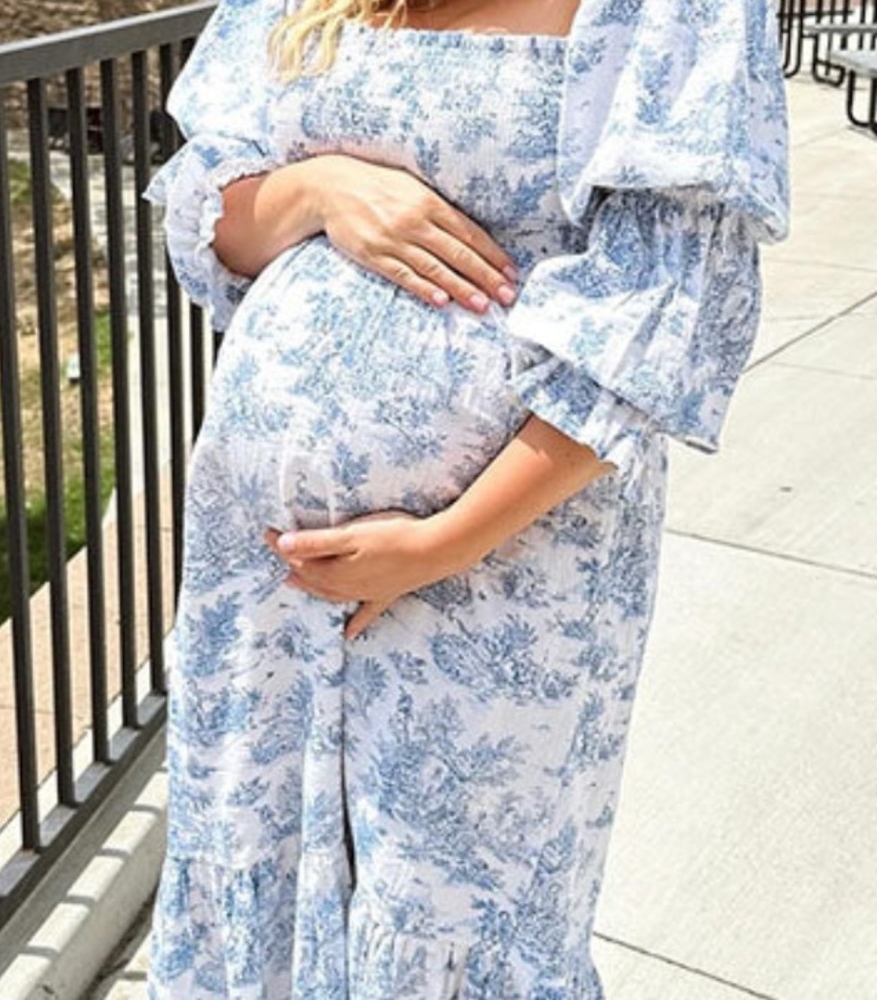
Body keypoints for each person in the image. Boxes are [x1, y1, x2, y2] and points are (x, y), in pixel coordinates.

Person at [144, 0, 789, 996]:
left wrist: (441, 542)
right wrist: (318, 190)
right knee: (246, 832)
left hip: (509, 566)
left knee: (451, 904)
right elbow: (214, 217)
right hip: (257, 573)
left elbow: (669, 295)